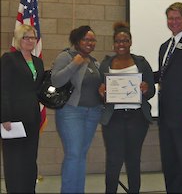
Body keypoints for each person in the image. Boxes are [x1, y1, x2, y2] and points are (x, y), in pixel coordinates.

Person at [98, 22, 155, 193]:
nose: (121, 44)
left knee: (133, 160)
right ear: (113, 44)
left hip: (137, 118)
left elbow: (151, 90)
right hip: (113, 118)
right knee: (113, 160)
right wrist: (101, 93)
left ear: (131, 42)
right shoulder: (105, 64)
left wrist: (145, 89)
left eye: (125, 41)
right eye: (118, 41)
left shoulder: (141, 62)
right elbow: (99, 93)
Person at [154, 2, 182, 193]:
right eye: (170, 18)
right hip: (165, 116)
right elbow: (163, 75)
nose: (173, 22)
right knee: (170, 161)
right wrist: (140, 78)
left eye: (177, 18)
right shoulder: (165, 46)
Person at [51, 25, 102, 193]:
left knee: (80, 155)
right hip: (71, 112)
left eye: (93, 40)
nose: (90, 43)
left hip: (92, 112)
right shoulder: (66, 56)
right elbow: (56, 81)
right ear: (77, 40)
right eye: (86, 39)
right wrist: (74, 64)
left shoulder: (95, 62)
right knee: (74, 154)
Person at [1, 24, 45, 193]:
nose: (30, 41)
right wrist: (4, 116)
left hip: (33, 117)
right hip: (13, 118)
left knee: (29, 158)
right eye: (26, 37)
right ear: (19, 40)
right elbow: (3, 88)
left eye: (33, 37)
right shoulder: (9, 59)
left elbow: (39, 88)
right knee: (14, 159)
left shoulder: (38, 62)